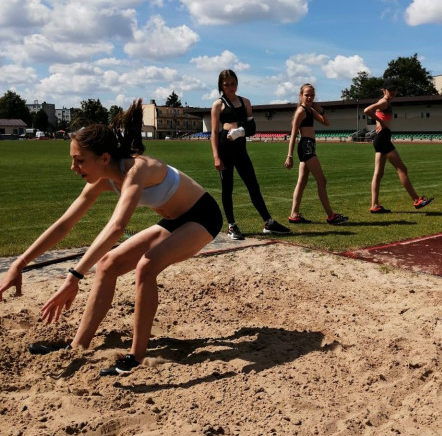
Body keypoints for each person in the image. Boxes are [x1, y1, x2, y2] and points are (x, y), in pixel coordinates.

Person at [0, 100, 223, 375]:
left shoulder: (137, 170)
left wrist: (75, 275)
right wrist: (19, 263)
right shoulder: (102, 179)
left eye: (79, 160)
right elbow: (64, 225)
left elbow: (117, 227)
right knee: (107, 264)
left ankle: (136, 357)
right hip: (174, 220)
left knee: (147, 265)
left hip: (203, 216)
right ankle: (78, 345)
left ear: (104, 158)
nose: (73, 167)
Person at [211, 70, 290, 240]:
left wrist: (240, 131)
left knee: (253, 185)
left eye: (233, 83)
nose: (230, 87)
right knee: (228, 188)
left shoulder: (245, 102)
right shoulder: (218, 105)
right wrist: (216, 156)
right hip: (225, 149)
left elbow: (252, 129)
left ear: (237, 83)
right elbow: (213, 133)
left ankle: (268, 222)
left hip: (241, 149)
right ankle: (232, 225)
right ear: (221, 86)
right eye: (226, 84)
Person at [363, 81, 434, 213]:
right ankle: (416, 200)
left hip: (380, 139)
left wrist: (380, 121)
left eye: (395, 91)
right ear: (384, 90)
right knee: (401, 168)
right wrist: (380, 122)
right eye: (390, 91)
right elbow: (367, 110)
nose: (393, 93)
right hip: (383, 138)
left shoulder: (386, 101)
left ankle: (374, 205)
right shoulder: (384, 102)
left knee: (378, 173)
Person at [284, 84, 348, 225]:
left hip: (310, 146)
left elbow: (327, 123)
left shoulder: (310, 110)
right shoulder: (301, 111)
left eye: (312, 95)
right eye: (307, 95)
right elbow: (293, 134)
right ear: (301, 96)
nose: (309, 97)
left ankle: (294, 215)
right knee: (322, 181)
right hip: (306, 147)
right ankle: (331, 216)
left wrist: (320, 109)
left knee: (302, 182)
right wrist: (289, 156)